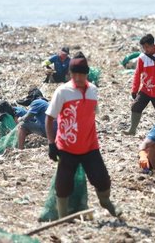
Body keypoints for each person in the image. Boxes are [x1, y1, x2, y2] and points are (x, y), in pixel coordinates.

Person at [45, 52, 121, 218]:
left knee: (102, 179)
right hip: (66, 146)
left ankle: (106, 203)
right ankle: (62, 217)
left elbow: (92, 114)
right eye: (75, 74)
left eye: (81, 74)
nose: (78, 77)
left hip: (90, 146)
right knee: (64, 184)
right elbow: (49, 118)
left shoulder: (93, 90)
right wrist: (51, 143)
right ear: (70, 74)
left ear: (87, 74)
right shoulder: (62, 91)